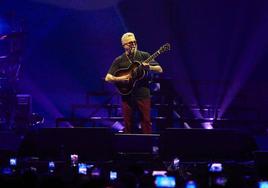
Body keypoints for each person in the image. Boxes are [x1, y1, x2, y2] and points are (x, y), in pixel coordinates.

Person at [105, 32, 163, 134]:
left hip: (143, 94)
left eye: (134, 42)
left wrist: (149, 67)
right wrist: (121, 79)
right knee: (128, 123)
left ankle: (147, 146)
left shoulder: (144, 55)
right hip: (127, 95)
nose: (133, 44)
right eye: (130, 43)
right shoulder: (119, 60)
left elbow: (159, 69)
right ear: (124, 45)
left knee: (146, 121)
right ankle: (129, 146)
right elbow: (108, 78)